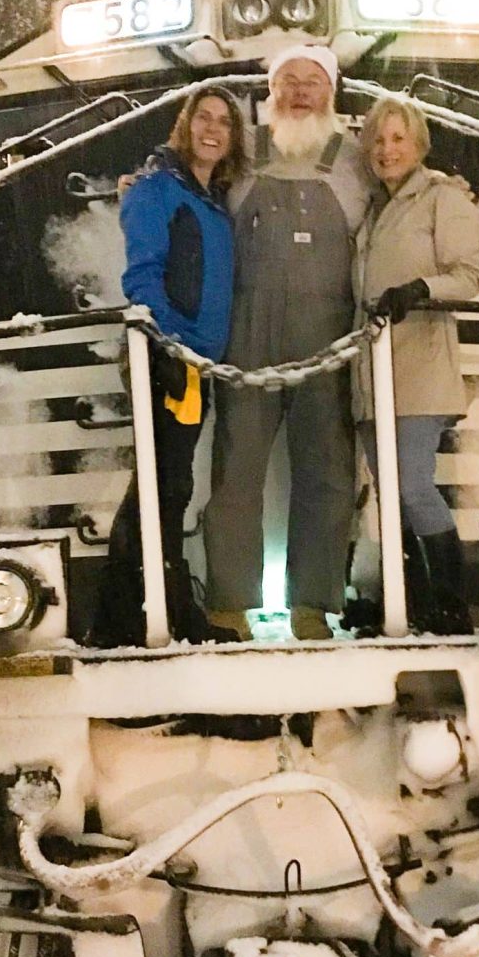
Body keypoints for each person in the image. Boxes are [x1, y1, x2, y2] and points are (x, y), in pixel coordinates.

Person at [200, 45, 369, 642]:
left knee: (326, 471)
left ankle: (312, 607)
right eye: (288, 81)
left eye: (312, 81)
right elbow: (185, 176)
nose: (300, 91)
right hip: (248, 332)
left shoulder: (357, 160)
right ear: (270, 91)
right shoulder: (241, 152)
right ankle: (228, 605)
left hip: (330, 334)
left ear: (332, 92)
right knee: (236, 471)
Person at [89, 86, 244, 646]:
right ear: (185, 126)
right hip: (168, 360)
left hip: (195, 364)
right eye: (203, 117)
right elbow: (143, 278)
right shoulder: (159, 191)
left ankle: (131, 617)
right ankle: (153, 618)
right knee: (162, 487)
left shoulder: (208, 198)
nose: (213, 129)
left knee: (167, 488)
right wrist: (172, 346)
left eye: (224, 122)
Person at [352, 94, 479, 634]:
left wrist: (419, 289)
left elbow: (469, 275)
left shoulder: (442, 198)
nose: (387, 150)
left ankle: (451, 605)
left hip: (420, 369)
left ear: (420, 144)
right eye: (378, 140)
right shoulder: (371, 208)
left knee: (412, 486)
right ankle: (410, 606)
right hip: (371, 375)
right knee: (391, 493)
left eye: (398, 138)